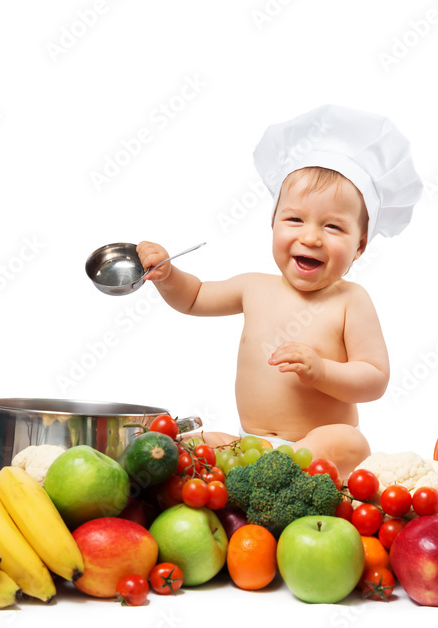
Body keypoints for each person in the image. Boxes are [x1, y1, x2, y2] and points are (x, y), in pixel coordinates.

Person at [137, 105, 422, 477]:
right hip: (249, 442)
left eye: (333, 227)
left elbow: (373, 379)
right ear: (273, 222)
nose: (310, 236)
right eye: (294, 219)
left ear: (360, 245)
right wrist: (169, 273)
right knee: (188, 440)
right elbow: (193, 298)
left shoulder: (351, 301)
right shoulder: (253, 286)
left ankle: (275, 471)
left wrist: (322, 371)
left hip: (316, 449)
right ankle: (258, 471)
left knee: (351, 443)